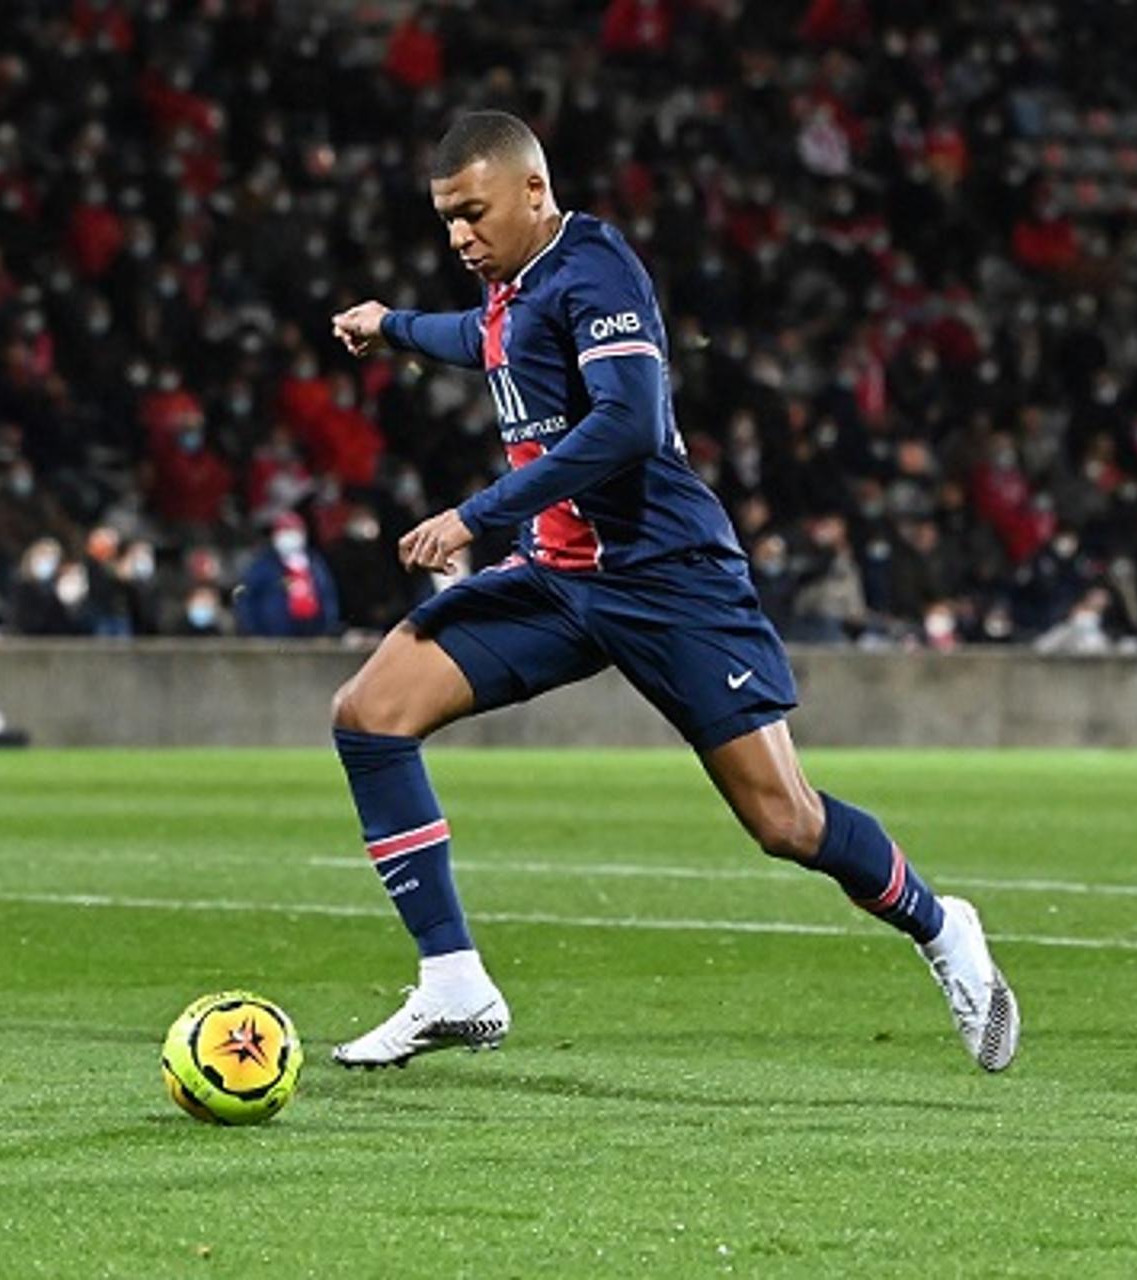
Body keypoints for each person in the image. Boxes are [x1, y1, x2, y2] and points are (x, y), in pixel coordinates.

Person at [325, 112, 1018, 1072]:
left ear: (535, 191)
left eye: (472, 214)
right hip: (560, 579)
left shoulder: (593, 269)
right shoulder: (511, 290)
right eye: (446, 221)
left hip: (667, 575)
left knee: (785, 822)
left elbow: (630, 424)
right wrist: (390, 327)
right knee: (369, 714)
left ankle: (944, 928)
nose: (458, 238)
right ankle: (454, 981)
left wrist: (476, 515)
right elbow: (479, 339)